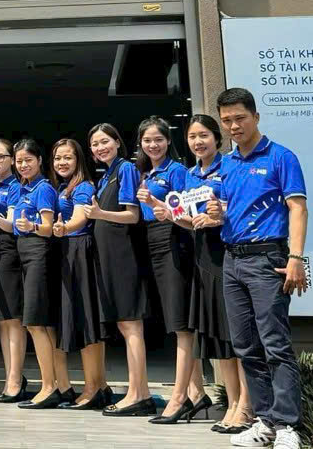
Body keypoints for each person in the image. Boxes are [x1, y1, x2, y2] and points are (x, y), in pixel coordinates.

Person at [207, 88, 307, 449]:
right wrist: (217, 213)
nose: (234, 126)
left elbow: (298, 208)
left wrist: (296, 258)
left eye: (240, 118)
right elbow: (227, 209)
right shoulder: (226, 164)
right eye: (227, 120)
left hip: (268, 259)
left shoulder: (281, 157)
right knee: (245, 346)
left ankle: (288, 427)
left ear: (256, 117)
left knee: (275, 345)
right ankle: (265, 422)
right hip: (232, 260)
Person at [177, 113, 252, 434]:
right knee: (219, 339)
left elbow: (240, 209)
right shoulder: (190, 175)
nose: (198, 142)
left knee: (238, 336)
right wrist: (170, 214)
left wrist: (218, 217)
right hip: (203, 258)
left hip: (228, 257)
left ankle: (247, 405)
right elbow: (189, 220)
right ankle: (232, 402)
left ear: (217, 138)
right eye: (192, 137)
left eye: (204, 135)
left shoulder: (230, 167)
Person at [133, 115, 209, 423]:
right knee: (173, 319)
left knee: (181, 324)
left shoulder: (176, 170)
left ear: (168, 141)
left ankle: (178, 399)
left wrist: (156, 203)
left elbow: (182, 211)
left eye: (158, 139)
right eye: (147, 140)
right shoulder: (145, 172)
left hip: (174, 239)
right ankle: (196, 393)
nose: (153, 145)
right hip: (152, 240)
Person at [83, 122, 154, 417]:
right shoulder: (106, 175)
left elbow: (132, 215)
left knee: (131, 324)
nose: (100, 148)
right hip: (109, 257)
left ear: (117, 142)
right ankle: (138, 392)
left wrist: (99, 213)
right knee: (125, 326)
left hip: (125, 256)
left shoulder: (125, 169)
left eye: (105, 141)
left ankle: (139, 394)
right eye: (95, 144)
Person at [49, 137, 109, 410]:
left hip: (80, 252)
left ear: (79, 160)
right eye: (57, 158)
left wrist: (65, 228)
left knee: (87, 322)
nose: (62, 162)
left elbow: (80, 217)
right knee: (85, 321)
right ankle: (100, 385)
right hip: (69, 252)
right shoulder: (63, 187)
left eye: (68, 157)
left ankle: (92, 388)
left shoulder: (83, 186)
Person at [10, 138, 68, 409]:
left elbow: (47, 227)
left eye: (28, 160)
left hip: (38, 253)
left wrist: (30, 226)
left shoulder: (43, 188)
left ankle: (48, 387)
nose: (23, 165)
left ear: (40, 160)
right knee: (41, 324)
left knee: (35, 322)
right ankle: (58, 384)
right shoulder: (23, 187)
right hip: (25, 254)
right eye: (19, 161)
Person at [0, 138, 28, 403]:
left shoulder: (16, 186)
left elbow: (12, 224)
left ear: (12, 159)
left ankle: (15, 379)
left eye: (0, 156)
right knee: (2, 320)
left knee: (13, 318)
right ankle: (10, 376)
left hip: (9, 250)